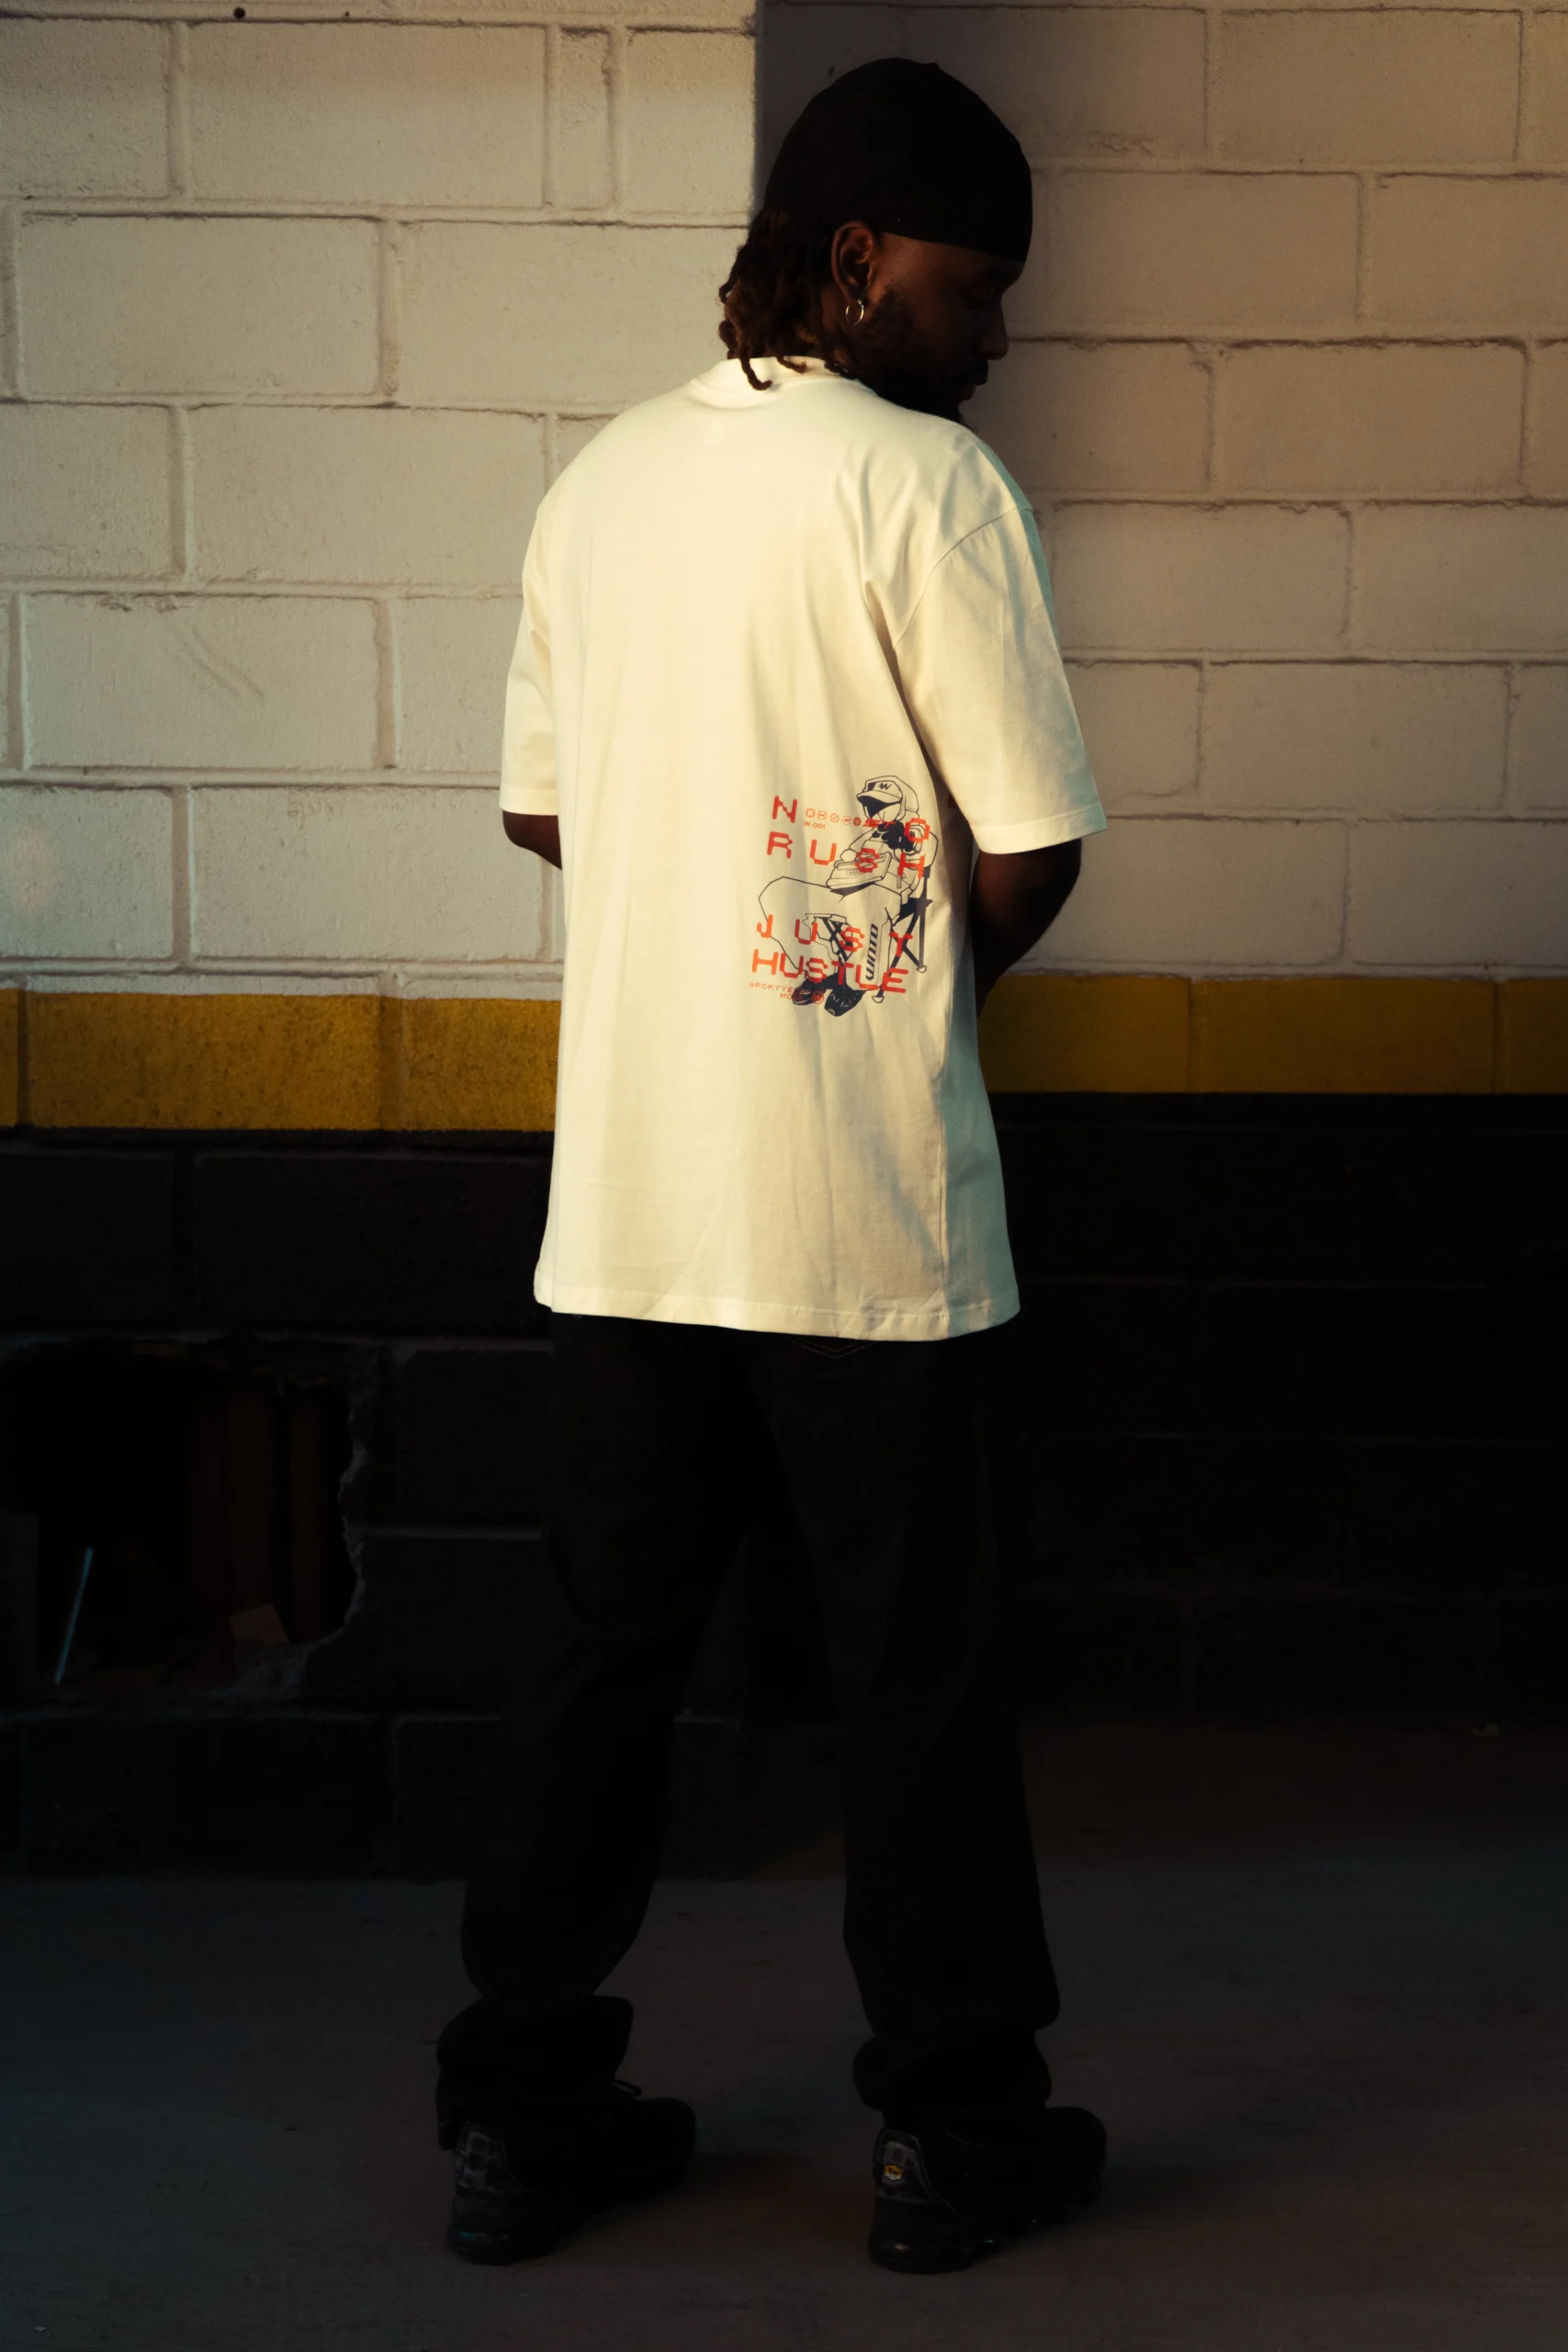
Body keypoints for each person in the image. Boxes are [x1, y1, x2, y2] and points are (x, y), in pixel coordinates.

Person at [435, 57, 1110, 2276]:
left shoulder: (602, 481)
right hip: (857, 1208)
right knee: (912, 1665)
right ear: (851, 260)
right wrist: (890, 981)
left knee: (598, 1653)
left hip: (635, 1202)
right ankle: (953, 2133)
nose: (990, 337)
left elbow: (543, 805)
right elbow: (1030, 846)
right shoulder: (927, 485)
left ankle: (522, 2112)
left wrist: (696, 868)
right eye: (970, 289)